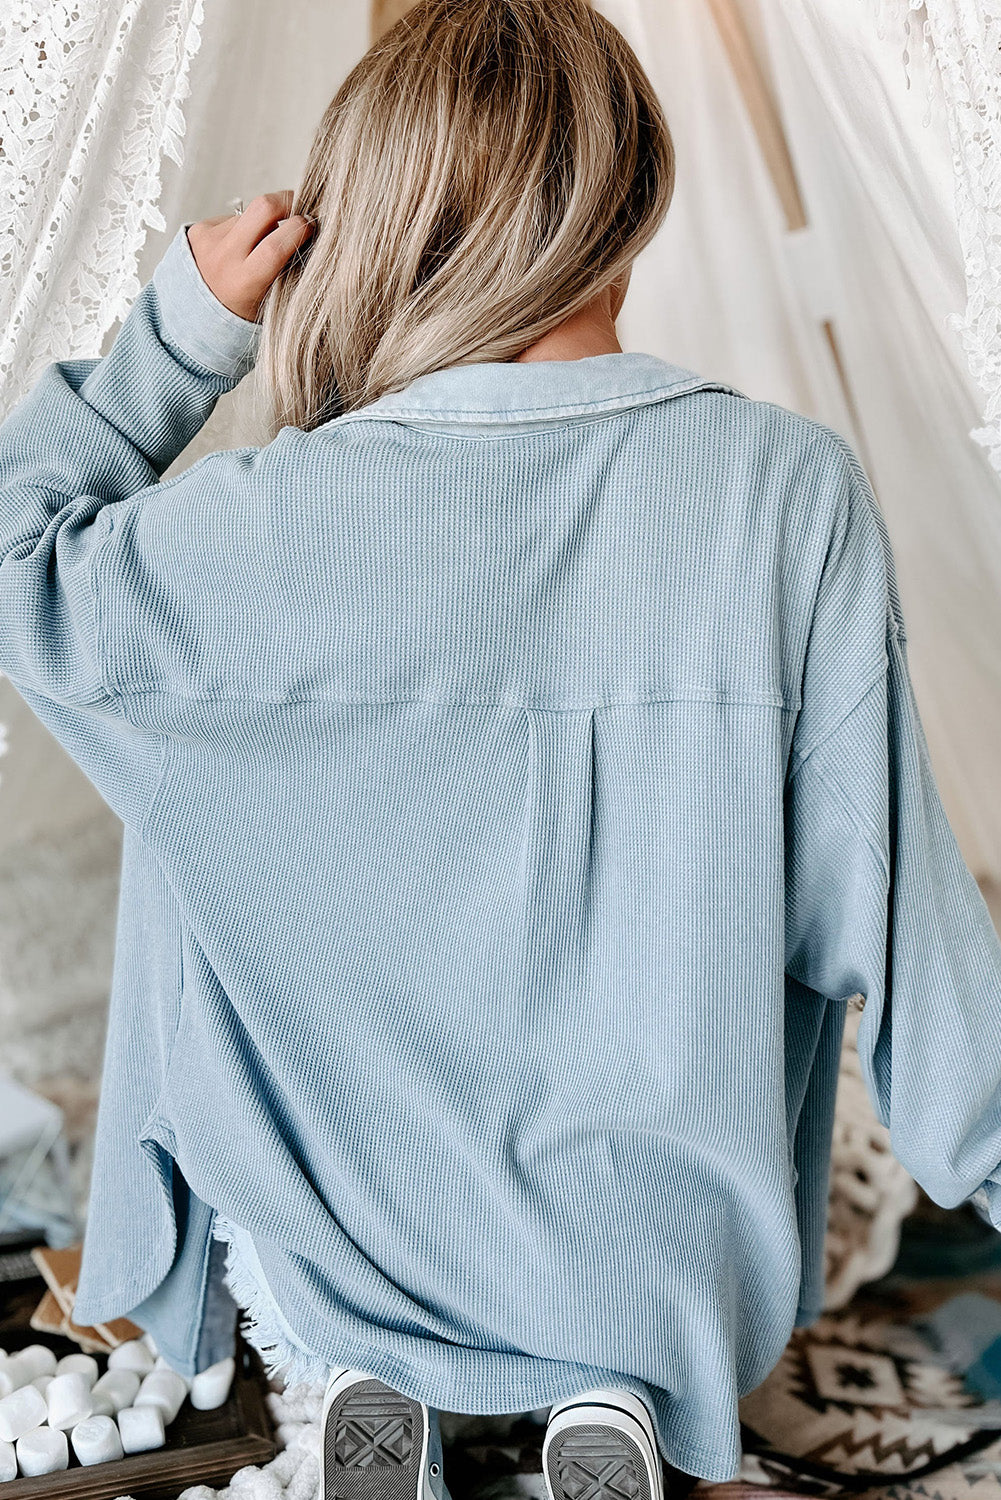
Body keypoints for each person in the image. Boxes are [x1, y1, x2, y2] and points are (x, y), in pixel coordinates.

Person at [2, 2, 1001, 1499]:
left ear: (374, 217)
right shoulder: (784, 495)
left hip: (350, 1231)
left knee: (195, 788)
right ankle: (611, 1385)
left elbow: (21, 560)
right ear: (630, 182)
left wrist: (180, 334)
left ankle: (363, 1369)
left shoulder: (262, 522)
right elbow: (903, 923)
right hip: (659, 1246)